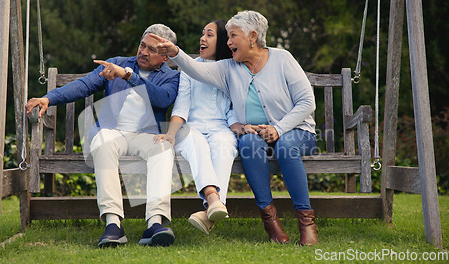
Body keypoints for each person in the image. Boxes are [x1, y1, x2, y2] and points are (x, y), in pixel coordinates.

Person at [151, 11, 319, 246]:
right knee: (248, 143)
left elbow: (307, 103)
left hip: (296, 131)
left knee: (286, 145)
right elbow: (197, 70)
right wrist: (175, 53)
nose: (228, 42)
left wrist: (279, 129)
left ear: (252, 36)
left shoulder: (283, 59)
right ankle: (270, 221)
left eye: (233, 36)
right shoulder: (229, 68)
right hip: (257, 133)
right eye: (227, 37)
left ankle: (306, 222)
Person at [25, 24, 180, 247]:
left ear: (165, 56)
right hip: (112, 132)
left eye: (152, 49)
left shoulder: (171, 77)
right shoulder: (117, 63)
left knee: (164, 148)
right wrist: (49, 99)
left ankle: (155, 223)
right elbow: (84, 85)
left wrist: (128, 76)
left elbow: (162, 99)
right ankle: (113, 224)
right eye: (142, 45)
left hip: (145, 136)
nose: (143, 52)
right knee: (102, 141)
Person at [154, 20, 239, 234]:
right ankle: (213, 198)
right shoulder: (189, 68)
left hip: (221, 128)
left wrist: (236, 125)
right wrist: (171, 134)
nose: (202, 38)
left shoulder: (231, 69)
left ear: (221, 41)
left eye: (209, 35)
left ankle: (209, 212)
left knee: (224, 144)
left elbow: (232, 108)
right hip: (191, 128)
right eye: (202, 34)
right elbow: (181, 106)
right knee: (197, 143)